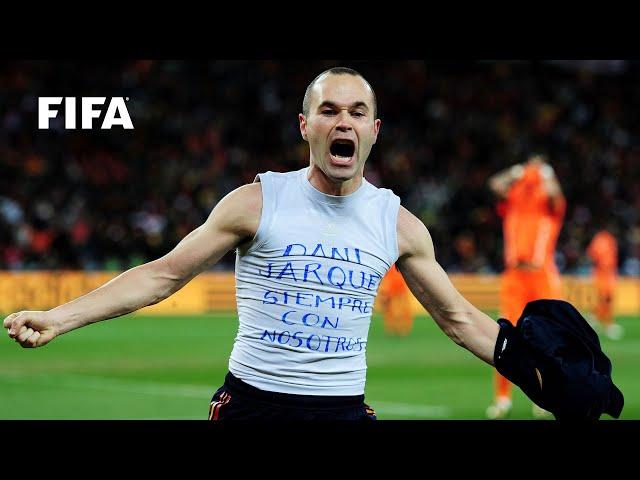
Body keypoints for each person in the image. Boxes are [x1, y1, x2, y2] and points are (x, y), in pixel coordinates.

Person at [3, 67, 558, 421]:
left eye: (357, 112)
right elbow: (162, 275)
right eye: (329, 110)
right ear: (305, 126)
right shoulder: (257, 201)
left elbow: (460, 319)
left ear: (374, 131)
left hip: (341, 411)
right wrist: (61, 317)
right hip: (252, 405)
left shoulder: (400, 224)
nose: (344, 121)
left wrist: (546, 379)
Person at [486, 155, 566, 419]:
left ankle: (544, 398)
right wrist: (515, 171)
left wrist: (546, 173)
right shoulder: (515, 197)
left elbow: (555, 194)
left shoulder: (550, 202)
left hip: (541, 275)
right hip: (514, 277)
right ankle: (502, 399)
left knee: (545, 340)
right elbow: (495, 184)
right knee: (505, 336)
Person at [587, 227, 623, 340]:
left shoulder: (609, 239)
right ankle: (603, 322)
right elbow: (593, 254)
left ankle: (601, 321)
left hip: (609, 273)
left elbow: (592, 254)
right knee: (603, 297)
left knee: (608, 298)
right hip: (601, 273)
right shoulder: (601, 239)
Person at [378, 264, 415, 336]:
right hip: (392, 290)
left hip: (399, 290)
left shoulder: (396, 265)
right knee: (390, 310)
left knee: (402, 310)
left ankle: (403, 328)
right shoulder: (389, 266)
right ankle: (392, 328)